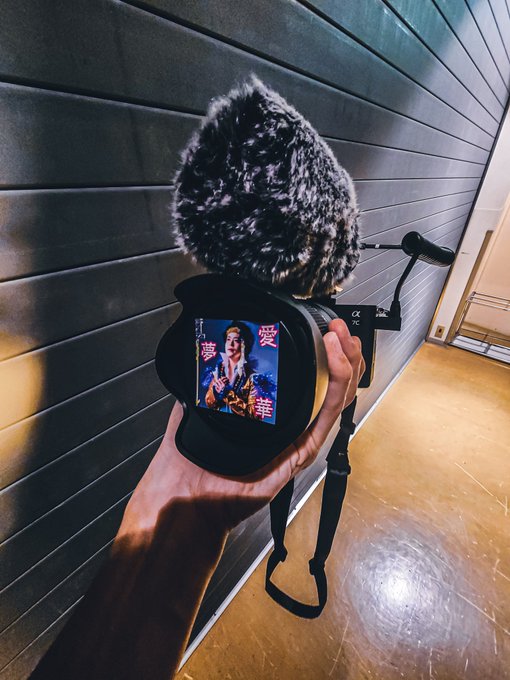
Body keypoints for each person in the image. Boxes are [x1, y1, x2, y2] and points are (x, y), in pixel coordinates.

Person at [29, 318, 364, 680]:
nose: (231, 346)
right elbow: (208, 400)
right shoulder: (213, 375)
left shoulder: (259, 377)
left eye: (237, 342)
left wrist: (198, 518)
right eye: (228, 341)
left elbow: (262, 404)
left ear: (245, 348)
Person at [205, 321, 260, 418]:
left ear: (244, 345)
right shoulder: (218, 371)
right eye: (228, 339)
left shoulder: (252, 377)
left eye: (236, 340)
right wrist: (216, 393)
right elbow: (208, 403)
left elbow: (253, 414)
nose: (231, 343)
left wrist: (228, 394)